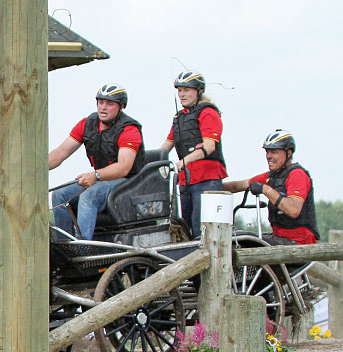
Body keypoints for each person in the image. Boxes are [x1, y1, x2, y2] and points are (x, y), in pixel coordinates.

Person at [49, 83, 145, 240]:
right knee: (60, 195)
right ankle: (64, 244)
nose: (103, 107)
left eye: (109, 104)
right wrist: (35, 169)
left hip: (126, 181)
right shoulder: (87, 124)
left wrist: (96, 175)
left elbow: (123, 167)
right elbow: (61, 152)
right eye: (100, 102)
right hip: (100, 178)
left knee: (90, 195)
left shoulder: (129, 130)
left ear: (121, 107)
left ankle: (83, 245)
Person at [158, 71, 226, 239]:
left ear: (198, 91)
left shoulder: (208, 112)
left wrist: (183, 161)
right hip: (186, 180)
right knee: (186, 228)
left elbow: (209, 146)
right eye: (180, 90)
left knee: (200, 230)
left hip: (206, 179)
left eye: (186, 90)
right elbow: (165, 148)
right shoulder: (180, 117)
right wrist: (146, 163)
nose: (182, 94)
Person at [222, 130, 319, 245]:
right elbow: (237, 186)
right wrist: (209, 187)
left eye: (274, 152)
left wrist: (265, 189)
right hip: (280, 237)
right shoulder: (272, 176)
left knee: (245, 243)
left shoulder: (297, 174)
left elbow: (293, 210)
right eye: (267, 152)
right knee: (238, 237)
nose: (269, 156)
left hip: (299, 242)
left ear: (289, 153)